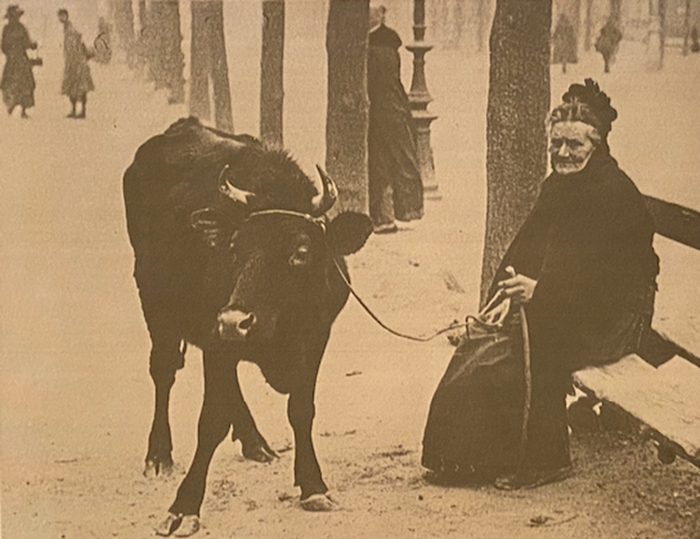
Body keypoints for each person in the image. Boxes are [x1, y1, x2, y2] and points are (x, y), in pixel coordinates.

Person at [422, 79, 659, 490]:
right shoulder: (560, 185)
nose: (563, 154)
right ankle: (464, 461)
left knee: (536, 349)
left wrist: (542, 294)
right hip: (568, 303)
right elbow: (525, 249)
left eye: (574, 146)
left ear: (596, 145)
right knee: (482, 354)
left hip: (616, 316)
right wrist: (499, 299)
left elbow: (608, 279)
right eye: (557, 145)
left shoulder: (612, 194)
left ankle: (546, 460)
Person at [367, 6, 424, 234]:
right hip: (390, 106)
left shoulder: (378, 45)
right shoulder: (386, 42)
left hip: (384, 108)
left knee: (383, 161)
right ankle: (390, 214)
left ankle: (385, 215)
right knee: (392, 159)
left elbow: (380, 81)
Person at [1, 5, 37, 118]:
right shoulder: (6, 30)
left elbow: (27, 42)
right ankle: (11, 104)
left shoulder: (22, 28)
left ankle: (23, 109)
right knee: (10, 83)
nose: (15, 19)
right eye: (13, 16)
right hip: (12, 61)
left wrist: (32, 45)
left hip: (22, 59)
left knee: (26, 83)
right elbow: (3, 46)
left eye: (16, 16)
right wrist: (10, 51)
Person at [58, 8, 94, 119]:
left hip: (78, 62)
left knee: (80, 88)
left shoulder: (71, 30)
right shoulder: (67, 29)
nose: (61, 18)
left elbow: (76, 45)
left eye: (63, 16)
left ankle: (82, 111)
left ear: (67, 16)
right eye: (60, 16)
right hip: (72, 62)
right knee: (72, 89)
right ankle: (75, 110)